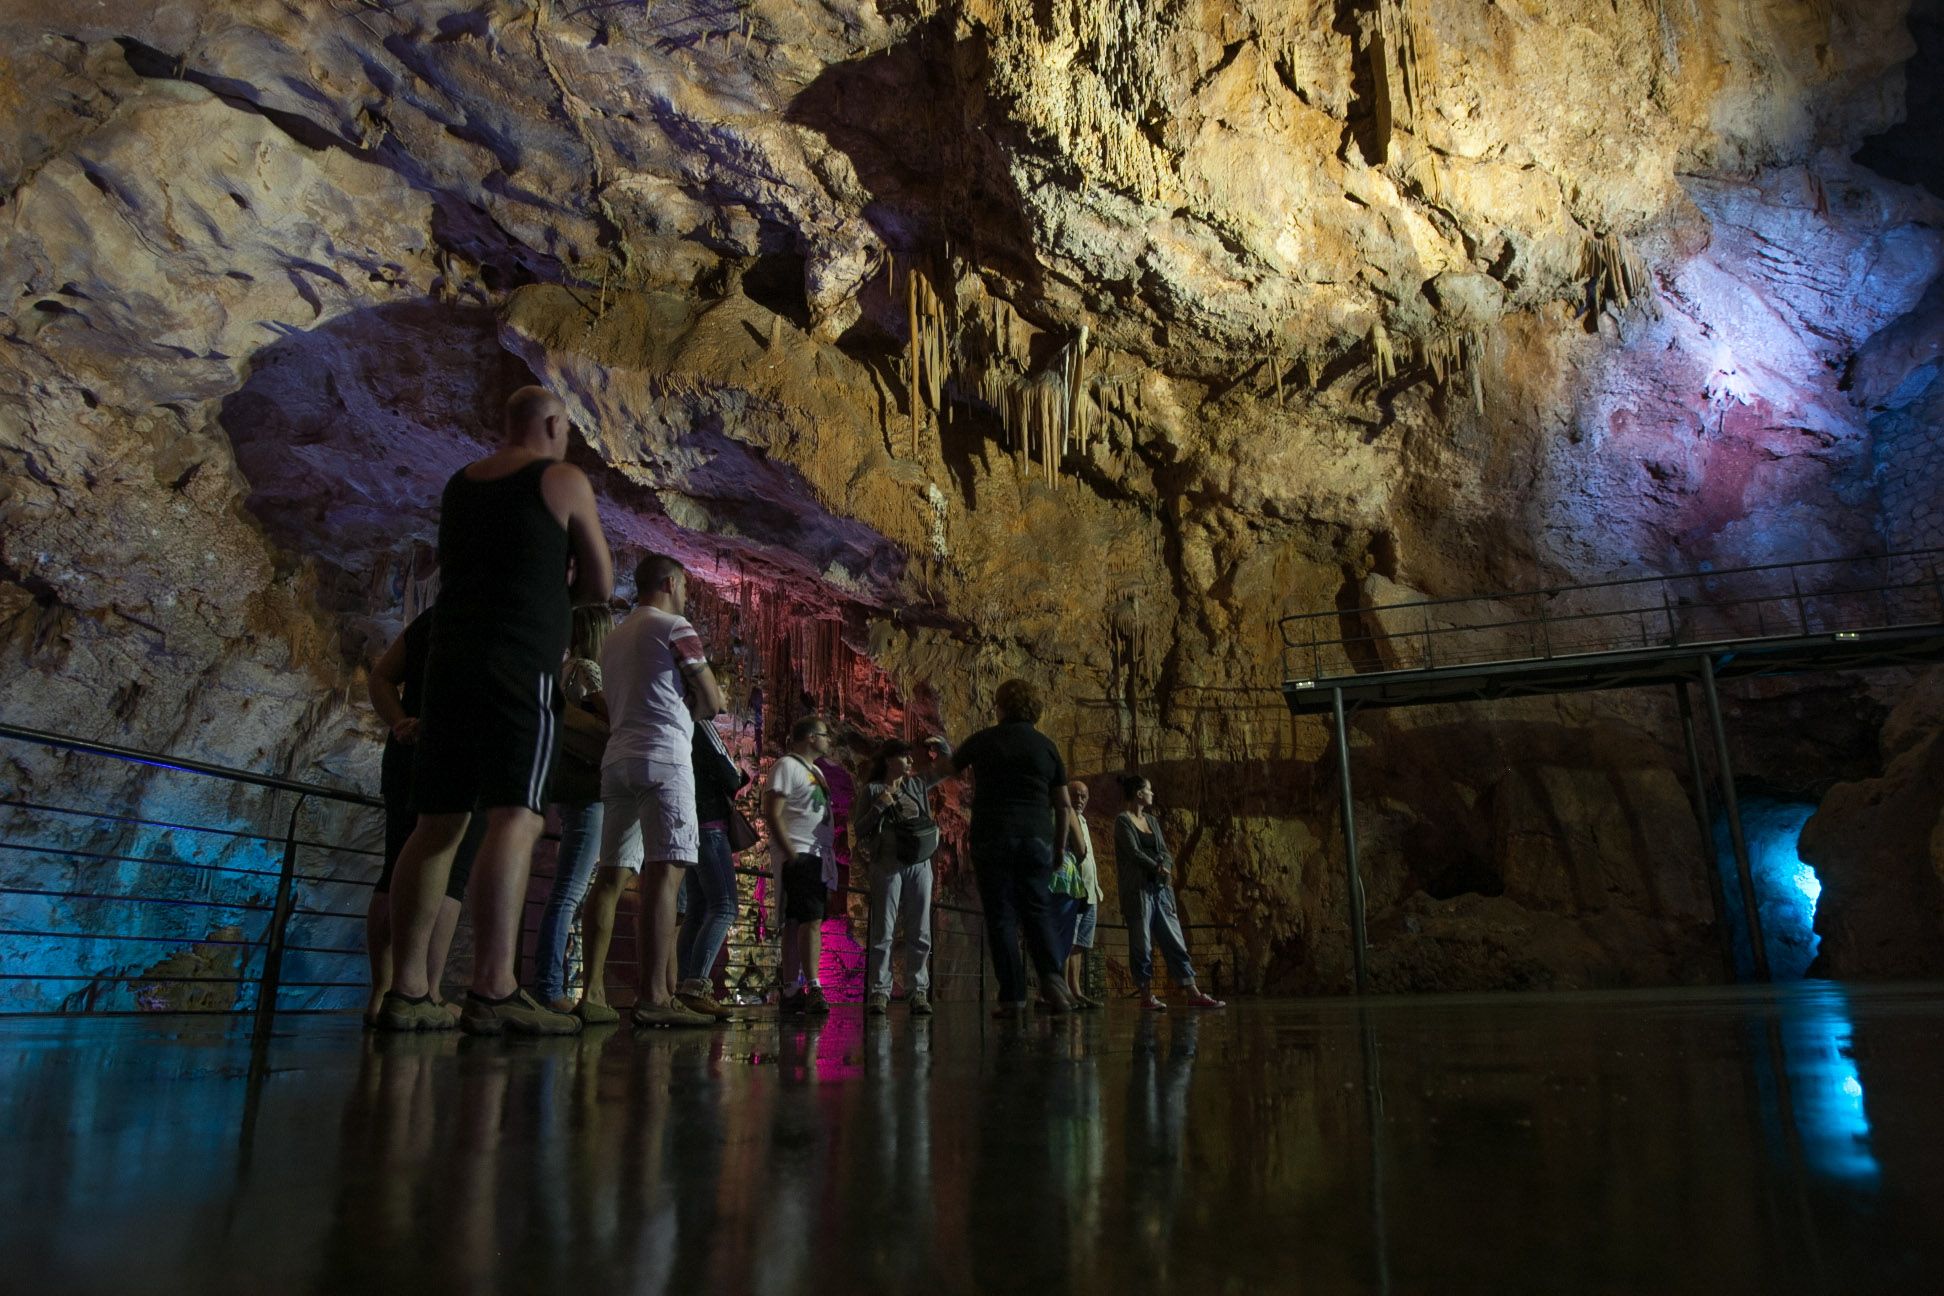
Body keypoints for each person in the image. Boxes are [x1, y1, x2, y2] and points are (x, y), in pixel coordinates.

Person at [378, 385, 613, 1035]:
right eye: (566, 429)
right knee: (516, 818)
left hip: (449, 667)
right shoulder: (561, 478)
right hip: (518, 666)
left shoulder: (461, 483)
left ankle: (409, 991)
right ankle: (494, 987)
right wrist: (561, 576)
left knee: (437, 822)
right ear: (552, 423)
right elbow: (600, 582)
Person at [579, 554, 728, 1029]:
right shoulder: (674, 626)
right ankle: (655, 996)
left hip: (617, 761)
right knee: (666, 876)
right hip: (663, 759)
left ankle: (593, 994)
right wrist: (692, 705)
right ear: (670, 582)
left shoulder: (615, 637)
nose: (686, 595)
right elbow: (713, 700)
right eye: (684, 585)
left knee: (611, 874)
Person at [364, 609, 486, 1025]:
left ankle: (382, 995)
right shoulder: (497, 617)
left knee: (394, 865)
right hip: (461, 752)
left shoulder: (432, 620)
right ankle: (426, 991)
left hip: (409, 749)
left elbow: (380, 677)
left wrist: (400, 723)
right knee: (451, 870)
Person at [949, 678, 1075, 1017]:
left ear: (1001, 706)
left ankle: (1013, 997)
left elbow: (945, 770)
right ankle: (1052, 979)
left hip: (993, 835)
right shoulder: (1046, 747)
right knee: (1037, 909)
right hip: (1036, 837)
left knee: (1001, 915)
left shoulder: (985, 740)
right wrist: (1060, 848)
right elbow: (1063, 805)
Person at [532, 604, 614, 1012]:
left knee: (567, 890)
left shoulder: (564, 668)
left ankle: (551, 981)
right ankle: (549, 985)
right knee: (569, 892)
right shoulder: (587, 668)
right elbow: (610, 713)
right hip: (586, 787)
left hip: (566, 785)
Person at [854, 736, 951, 1016]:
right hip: (887, 863)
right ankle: (879, 992)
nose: (910, 761)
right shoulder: (872, 790)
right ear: (888, 760)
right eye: (904, 757)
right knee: (883, 929)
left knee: (920, 929)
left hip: (920, 863)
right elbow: (859, 829)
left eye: (911, 757)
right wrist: (879, 806)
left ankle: (918, 991)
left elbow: (946, 768)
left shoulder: (916, 785)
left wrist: (941, 746)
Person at [1114, 774, 1225, 1011]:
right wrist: (1156, 866)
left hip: (1160, 889)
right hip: (1139, 891)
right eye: (1149, 790)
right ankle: (1145, 995)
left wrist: (1165, 865)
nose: (1152, 794)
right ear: (1139, 794)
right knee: (1142, 945)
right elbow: (1133, 852)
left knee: (1175, 940)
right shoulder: (1123, 821)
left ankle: (1193, 991)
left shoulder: (1152, 821)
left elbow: (1164, 850)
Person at [765, 715, 837, 1014]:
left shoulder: (816, 771)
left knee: (799, 921)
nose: (829, 740)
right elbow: (772, 811)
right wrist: (790, 852)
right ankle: (814, 986)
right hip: (801, 852)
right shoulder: (787, 766)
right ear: (810, 737)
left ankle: (792, 990)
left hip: (817, 855)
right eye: (825, 734)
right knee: (809, 921)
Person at [677, 716, 748, 1018]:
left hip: (691, 824)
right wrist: (742, 775)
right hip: (710, 824)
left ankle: (683, 985)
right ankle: (695, 986)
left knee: (697, 908)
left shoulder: (680, 723)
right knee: (725, 906)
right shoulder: (701, 725)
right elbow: (729, 775)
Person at [1061, 779, 1104, 1010]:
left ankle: (1075, 989)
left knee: (1079, 943)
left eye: (1083, 796)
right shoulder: (1064, 816)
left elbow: (1089, 859)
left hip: (1089, 891)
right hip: (1072, 891)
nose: (1079, 799)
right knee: (1067, 941)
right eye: (1075, 795)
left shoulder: (1084, 821)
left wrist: (1096, 888)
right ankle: (1063, 990)